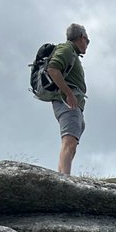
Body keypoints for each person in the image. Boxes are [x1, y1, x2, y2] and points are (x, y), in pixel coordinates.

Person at [45, 24, 90, 175]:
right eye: (87, 40)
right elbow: (53, 69)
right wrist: (69, 94)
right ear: (81, 38)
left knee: (72, 142)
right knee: (69, 140)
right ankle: (64, 177)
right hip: (66, 102)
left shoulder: (72, 52)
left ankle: (63, 174)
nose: (87, 44)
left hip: (72, 104)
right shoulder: (66, 49)